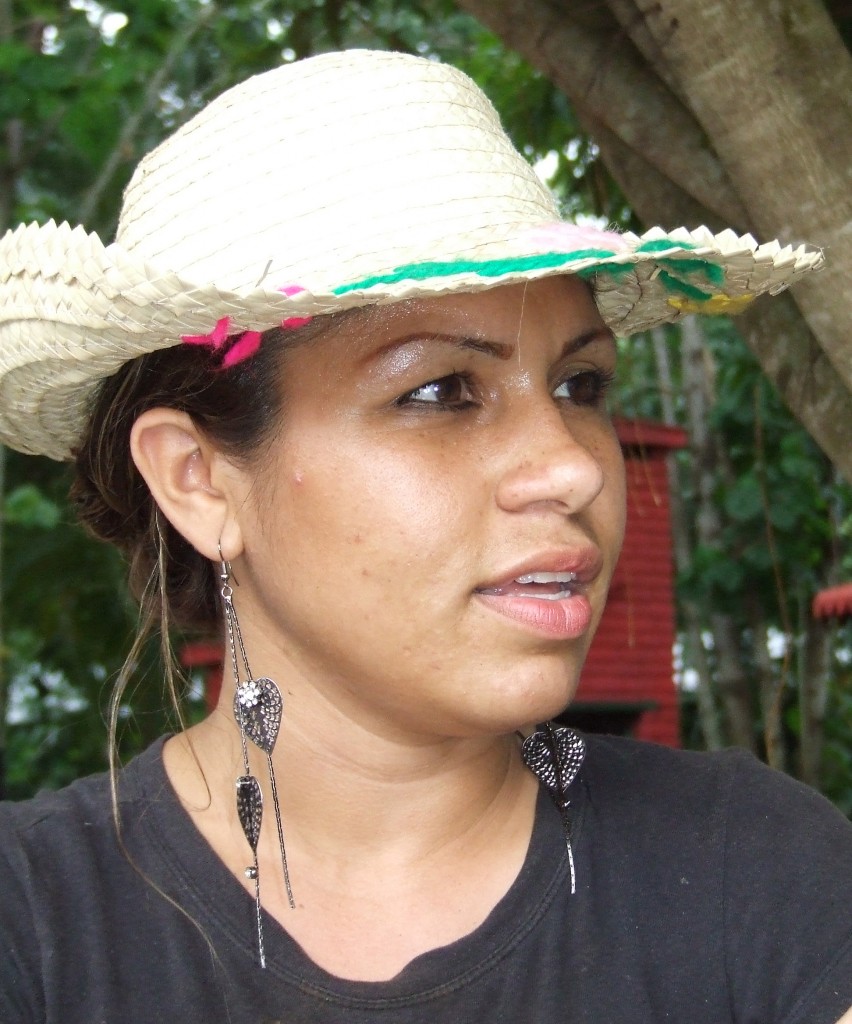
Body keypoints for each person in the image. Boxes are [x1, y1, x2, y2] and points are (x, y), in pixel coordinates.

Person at [0, 49, 849, 1024]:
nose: (572, 466)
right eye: (441, 391)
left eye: (580, 385)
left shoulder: (758, 872)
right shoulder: (33, 928)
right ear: (198, 480)